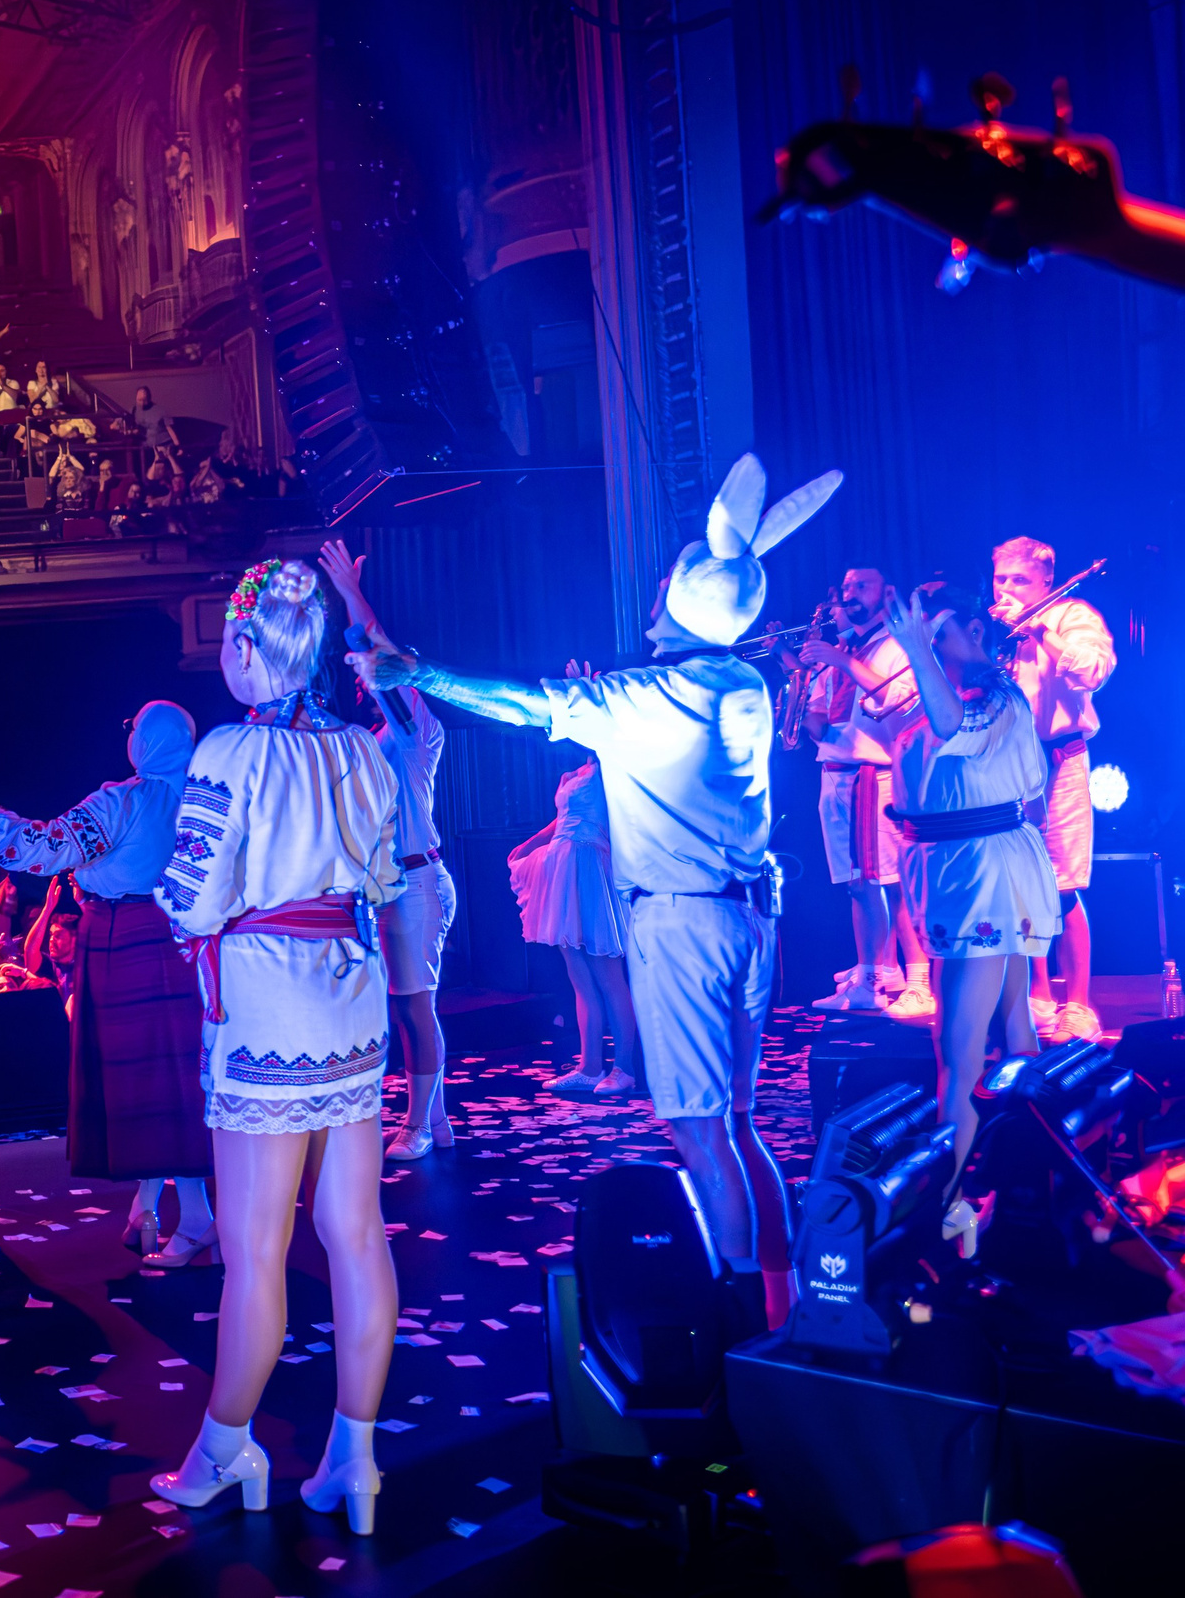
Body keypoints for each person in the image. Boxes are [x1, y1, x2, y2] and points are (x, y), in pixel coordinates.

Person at [354, 454, 840, 1330]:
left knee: (699, 1131)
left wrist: (419, 672)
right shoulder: (746, 682)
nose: (653, 593)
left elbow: (516, 703)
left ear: (689, 601)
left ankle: (749, 1330)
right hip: (751, 918)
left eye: (667, 584)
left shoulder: (655, 694)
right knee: (739, 1121)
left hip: (686, 924)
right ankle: (784, 1298)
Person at [147, 559, 402, 1530]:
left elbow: (190, 895)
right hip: (351, 998)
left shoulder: (228, 754)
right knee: (356, 1232)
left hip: (266, 1011)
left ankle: (225, 1447)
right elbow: (381, 883)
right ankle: (356, 1456)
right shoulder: (364, 753)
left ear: (249, 649)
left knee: (254, 1250)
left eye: (226, 639)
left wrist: (187, 922)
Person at [0, 702, 214, 1262]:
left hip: (127, 937)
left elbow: (41, 849)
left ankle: (200, 1217)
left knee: (152, 1083)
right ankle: (147, 1202)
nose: (129, 735)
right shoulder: (209, 797)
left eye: (133, 727)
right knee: (169, 1078)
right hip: (190, 945)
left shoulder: (126, 799)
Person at [884, 583, 1057, 1241]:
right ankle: (1027, 1185)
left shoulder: (998, 697)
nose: (929, 646)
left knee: (959, 1048)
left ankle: (951, 1205)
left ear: (976, 632)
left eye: (939, 634)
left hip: (983, 872)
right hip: (957, 871)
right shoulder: (945, 701)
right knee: (1012, 1032)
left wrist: (911, 649)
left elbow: (955, 730)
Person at [314, 540, 458, 1161]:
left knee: (414, 1006)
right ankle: (437, 1120)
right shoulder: (377, 736)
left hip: (416, 883)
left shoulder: (414, 728)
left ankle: (419, 1125)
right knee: (404, 1008)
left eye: (374, 668)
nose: (362, 672)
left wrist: (351, 597)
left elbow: (385, 656)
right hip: (393, 887)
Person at [990, 536, 1116, 1038]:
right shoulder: (994, 628)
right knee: (1021, 888)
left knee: (1062, 886)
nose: (1007, 589)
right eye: (1000, 578)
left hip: (1060, 760)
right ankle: (1037, 994)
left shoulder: (1072, 616)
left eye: (1018, 580)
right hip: (1006, 768)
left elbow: (1093, 672)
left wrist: (1039, 627)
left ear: (1046, 580)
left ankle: (1078, 1003)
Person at [793, 568, 932, 1017]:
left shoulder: (893, 646)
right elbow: (822, 726)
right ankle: (873, 973)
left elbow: (899, 701)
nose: (850, 594)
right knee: (858, 885)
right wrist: (796, 681)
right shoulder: (847, 650)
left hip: (877, 776)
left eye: (861, 587)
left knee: (893, 884)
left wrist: (839, 661)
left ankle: (918, 980)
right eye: (846, 587)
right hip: (836, 772)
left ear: (886, 593)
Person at [507, 755, 639, 1095]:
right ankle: (590, 1066)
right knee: (579, 975)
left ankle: (625, 1067)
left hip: (590, 863)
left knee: (608, 975)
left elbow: (627, 816)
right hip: (562, 865)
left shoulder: (613, 765)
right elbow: (559, 821)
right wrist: (530, 844)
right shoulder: (575, 772)